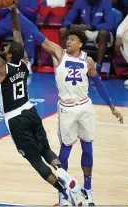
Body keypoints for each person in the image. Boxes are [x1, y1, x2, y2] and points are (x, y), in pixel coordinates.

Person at [0, 0, 85, 206]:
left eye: (8, 48)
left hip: (16, 119)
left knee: (35, 159)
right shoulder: (24, 62)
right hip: (30, 111)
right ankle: (64, 175)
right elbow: (18, 31)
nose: (6, 47)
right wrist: (12, 10)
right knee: (46, 150)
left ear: (9, 56)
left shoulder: (1, 69)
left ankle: (63, 191)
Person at [40, 28, 123, 205]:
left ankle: (88, 189)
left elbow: (98, 83)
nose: (68, 41)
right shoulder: (59, 55)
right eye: (67, 38)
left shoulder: (88, 60)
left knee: (88, 149)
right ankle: (63, 192)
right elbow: (39, 37)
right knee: (64, 153)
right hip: (67, 109)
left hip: (85, 107)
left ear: (80, 44)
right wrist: (16, 12)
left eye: (72, 39)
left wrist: (112, 106)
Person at [59, 0, 114, 71]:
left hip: (99, 31)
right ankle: (65, 62)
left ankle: (98, 67)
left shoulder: (105, 2)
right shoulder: (80, 1)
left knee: (103, 34)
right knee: (63, 31)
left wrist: (92, 27)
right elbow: (67, 20)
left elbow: (110, 24)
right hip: (84, 32)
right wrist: (71, 25)